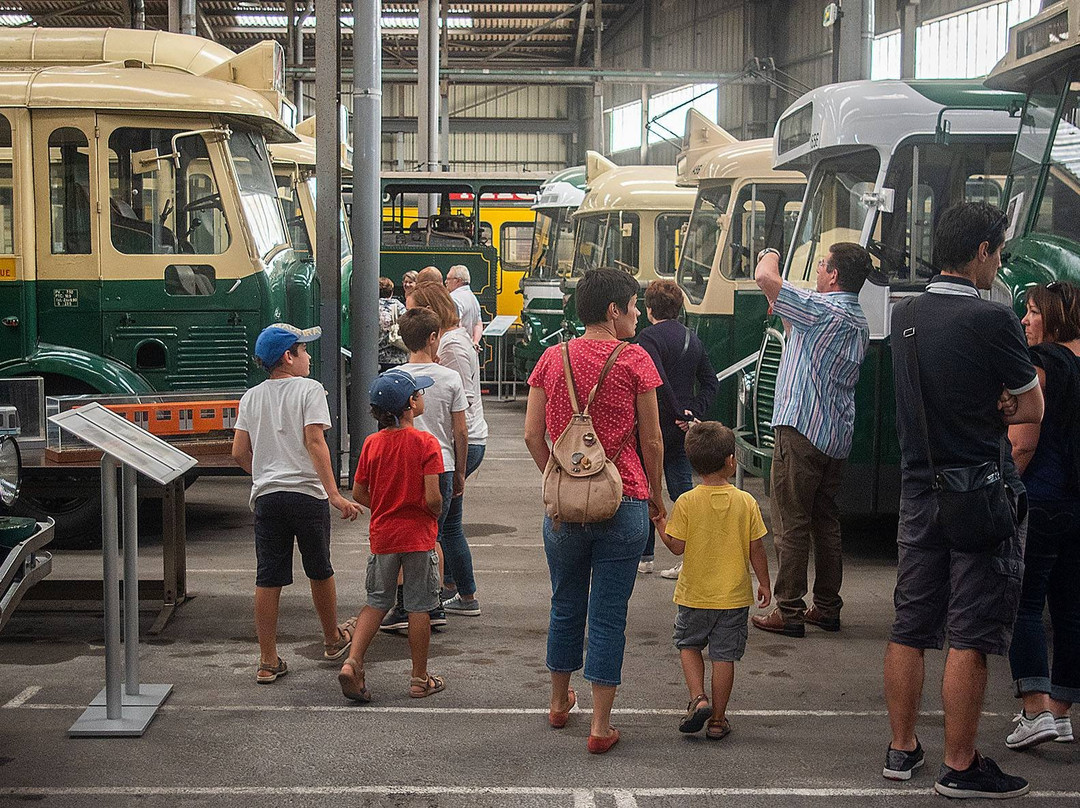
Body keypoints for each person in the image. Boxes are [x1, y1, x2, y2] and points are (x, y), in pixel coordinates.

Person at [883, 202, 1044, 798]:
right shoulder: (994, 320)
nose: (997, 263)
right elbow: (1031, 407)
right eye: (997, 252)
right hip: (978, 487)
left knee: (910, 622)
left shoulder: (905, 317)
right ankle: (960, 761)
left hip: (919, 486)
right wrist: (1002, 404)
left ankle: (901, 750)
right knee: (970, 631)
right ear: (981, 252)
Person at [524, 266, 666, 755]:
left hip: (564, 506)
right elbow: (651, 438)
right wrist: (655, 496)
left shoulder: (550, 358)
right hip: (622, 500)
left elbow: (531, 434)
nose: (636, 315)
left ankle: (560, 702)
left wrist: (558, 475)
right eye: (632, 306)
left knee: (565, 602)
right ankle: (600, 725)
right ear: (613, 310)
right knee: (608, 615)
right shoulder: (635, 361)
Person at [750, 242, 871, 638]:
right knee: (824, 520)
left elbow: (765, 276)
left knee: (791, 520)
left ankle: (788, 609)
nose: (818, 271)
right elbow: (803, 339)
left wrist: (771, 250)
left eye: (822, 265)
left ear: (834, 275)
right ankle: (827, 606)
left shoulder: (821, 309)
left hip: (800, 429)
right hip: (835, 435)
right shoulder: (857, 320)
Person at [231, 323, 362, 684]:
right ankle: (333, 639)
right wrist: (334, 493)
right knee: (319, 568)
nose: (308, 358)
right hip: (307, 494)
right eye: (303, 351)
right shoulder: (310, 390)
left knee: (268, 577)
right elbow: (315, 441)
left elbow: (239, 451)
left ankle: (267, 659)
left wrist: (263, 473)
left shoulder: (252, 397)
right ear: (288, 357)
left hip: (268, 496)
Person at [653, 422, 771, 741]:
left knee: (689, 646)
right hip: (733, 598)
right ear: (731, 461)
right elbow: (756, 547)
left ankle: (698, 698)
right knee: (724, 657)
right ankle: (718, 719)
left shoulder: (688, 502)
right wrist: (764, 582)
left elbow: (677, 546)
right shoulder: (746, 502)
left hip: (694, 595)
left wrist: (662, 523)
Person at [338, 368, 446, 701]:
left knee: (375, 603)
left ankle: (353, 662)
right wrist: (433, 512)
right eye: (419, 394)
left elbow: (359, 492)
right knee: (419, 607)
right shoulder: (427, 443)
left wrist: (385, 505)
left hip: (383, 536)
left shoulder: (372, 443)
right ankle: (418, 678)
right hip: (417, 537)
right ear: (410, 405)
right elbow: (432, 498)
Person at [1006, 281, 1080, 750]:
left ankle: (1034, 709)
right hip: (1077, 504)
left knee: (1025, 603)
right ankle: (1062, 713)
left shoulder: (1044, 364)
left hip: (1043, 499)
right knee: (1071, 610)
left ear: (1054, 316)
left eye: (1033, 312)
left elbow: (1024, 441)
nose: (1026, 321)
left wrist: (1008, 484)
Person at [378, 307, 469, 632]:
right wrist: (459, 470)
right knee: (434, 535)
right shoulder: (450, 377)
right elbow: (460, 430)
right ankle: (433, 603)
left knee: (406, 538)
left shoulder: (392, 377)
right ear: (434, 338)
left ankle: (405, 605)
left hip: (403, 466)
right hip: (441, 464)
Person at [407, 281, 487, 616]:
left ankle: (434, 598)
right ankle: (459, 590)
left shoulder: (450, 347)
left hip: (454, 446)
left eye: (415, 311)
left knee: (435, 529)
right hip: (458, 444)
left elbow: (453, 409)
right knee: (450, 525)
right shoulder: (454, 341)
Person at [635, 279, 718, 576]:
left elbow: (656, 379)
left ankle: (645, 557)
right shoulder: (692, 338)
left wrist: (673, 410)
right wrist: (692, 412)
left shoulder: (647, 337)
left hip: (653, 426)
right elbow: (711, 381)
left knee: (646, 487)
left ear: (648, 308)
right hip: (682, 430)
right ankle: (692, 555)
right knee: (683, 492)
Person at [446, 264, 484, 348]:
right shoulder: (473, 298)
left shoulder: (453, 298)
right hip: (470, 346)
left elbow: (456, 324)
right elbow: (478, 324)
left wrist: (465, 342)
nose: (446, 282)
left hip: (458, 346)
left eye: (449, 278)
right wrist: (475, 341)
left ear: (458, 280)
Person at [378, 277, 408, 372]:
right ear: (391, 292)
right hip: (399, 357)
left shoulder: (370, 307)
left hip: (377, 358)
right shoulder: (399, 306)